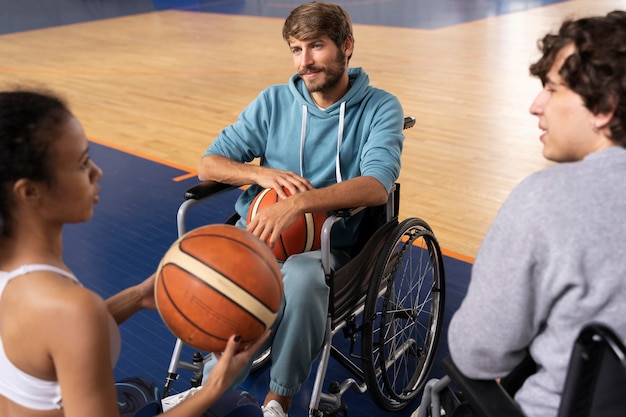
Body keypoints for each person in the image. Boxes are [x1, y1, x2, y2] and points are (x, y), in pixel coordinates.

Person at [0, 88, 269, 417]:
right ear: (30, 192)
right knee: (241, 408)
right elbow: (70, 323)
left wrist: (139, 295)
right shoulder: (70, 309)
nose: (97, 172)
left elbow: (45, 342)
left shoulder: (18, 276)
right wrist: (215, 386)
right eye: (82, 163)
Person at [197, 2, 405, 416]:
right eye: (296, 49)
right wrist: (260, 176)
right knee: (210, 268)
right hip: (257, 237)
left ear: (346, 46)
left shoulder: (381, 107)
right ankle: (211, 391)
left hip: (329, 248)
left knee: (304, 278)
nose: (305, 62)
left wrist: (299, 203)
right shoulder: (274, 102)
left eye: (316, 46)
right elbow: (210, 163)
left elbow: (377, 186)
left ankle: (280, 396)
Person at [447, 10, 626, 417]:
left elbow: (477, 353)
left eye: (552, 88)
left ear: (604, 108)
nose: (535, 105)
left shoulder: (545, 200)